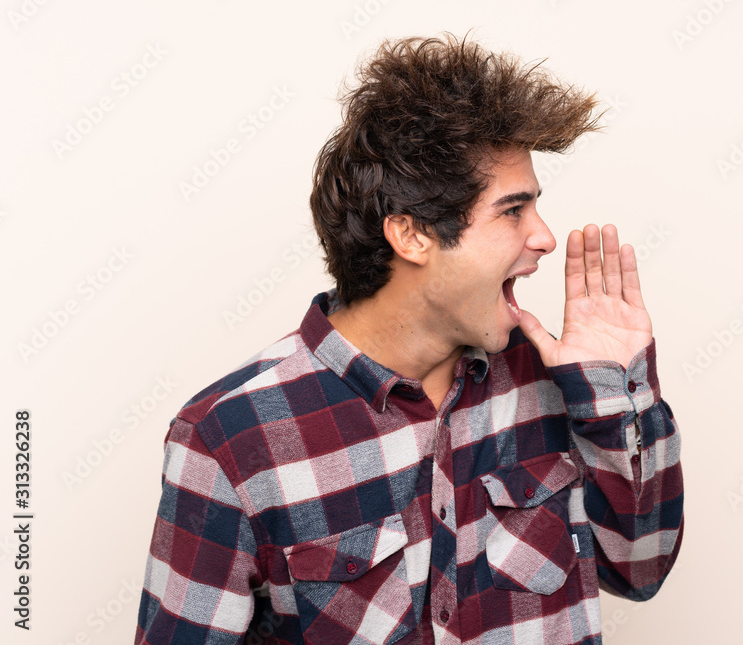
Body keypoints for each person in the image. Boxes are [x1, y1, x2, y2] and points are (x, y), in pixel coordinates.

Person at [134, 32, 683, 645]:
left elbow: (640, 570)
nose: (545, 237)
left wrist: (617, 393)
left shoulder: (555, 377)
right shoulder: (226, 440)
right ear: (412, 235)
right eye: (512, 211)